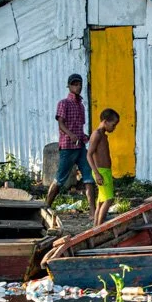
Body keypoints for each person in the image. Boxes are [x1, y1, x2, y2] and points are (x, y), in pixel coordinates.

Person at [46, 74, 97, 216]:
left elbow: (79, 127)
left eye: (79, 84)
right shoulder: (63, 103)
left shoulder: (80, 105)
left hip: (80, 146)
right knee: (60, 178)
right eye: (74, 84)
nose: (78, 87)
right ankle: (45, 207)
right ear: (69, 86)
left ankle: (93, 212)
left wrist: (86, 137)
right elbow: (61, 124)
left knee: (88, 176)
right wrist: (71, 134)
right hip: (68, 147)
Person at [87, 109, 121, 227]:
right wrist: (96, 173)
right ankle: (100, 227)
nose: (114, 128)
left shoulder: (103, 135)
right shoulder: (96, 134)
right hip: (101, 171)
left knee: (101, 201)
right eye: (113, 125)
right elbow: (89, 155)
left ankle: (96, 227)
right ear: (105, 121)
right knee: (109, 199)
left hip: (105, 171)